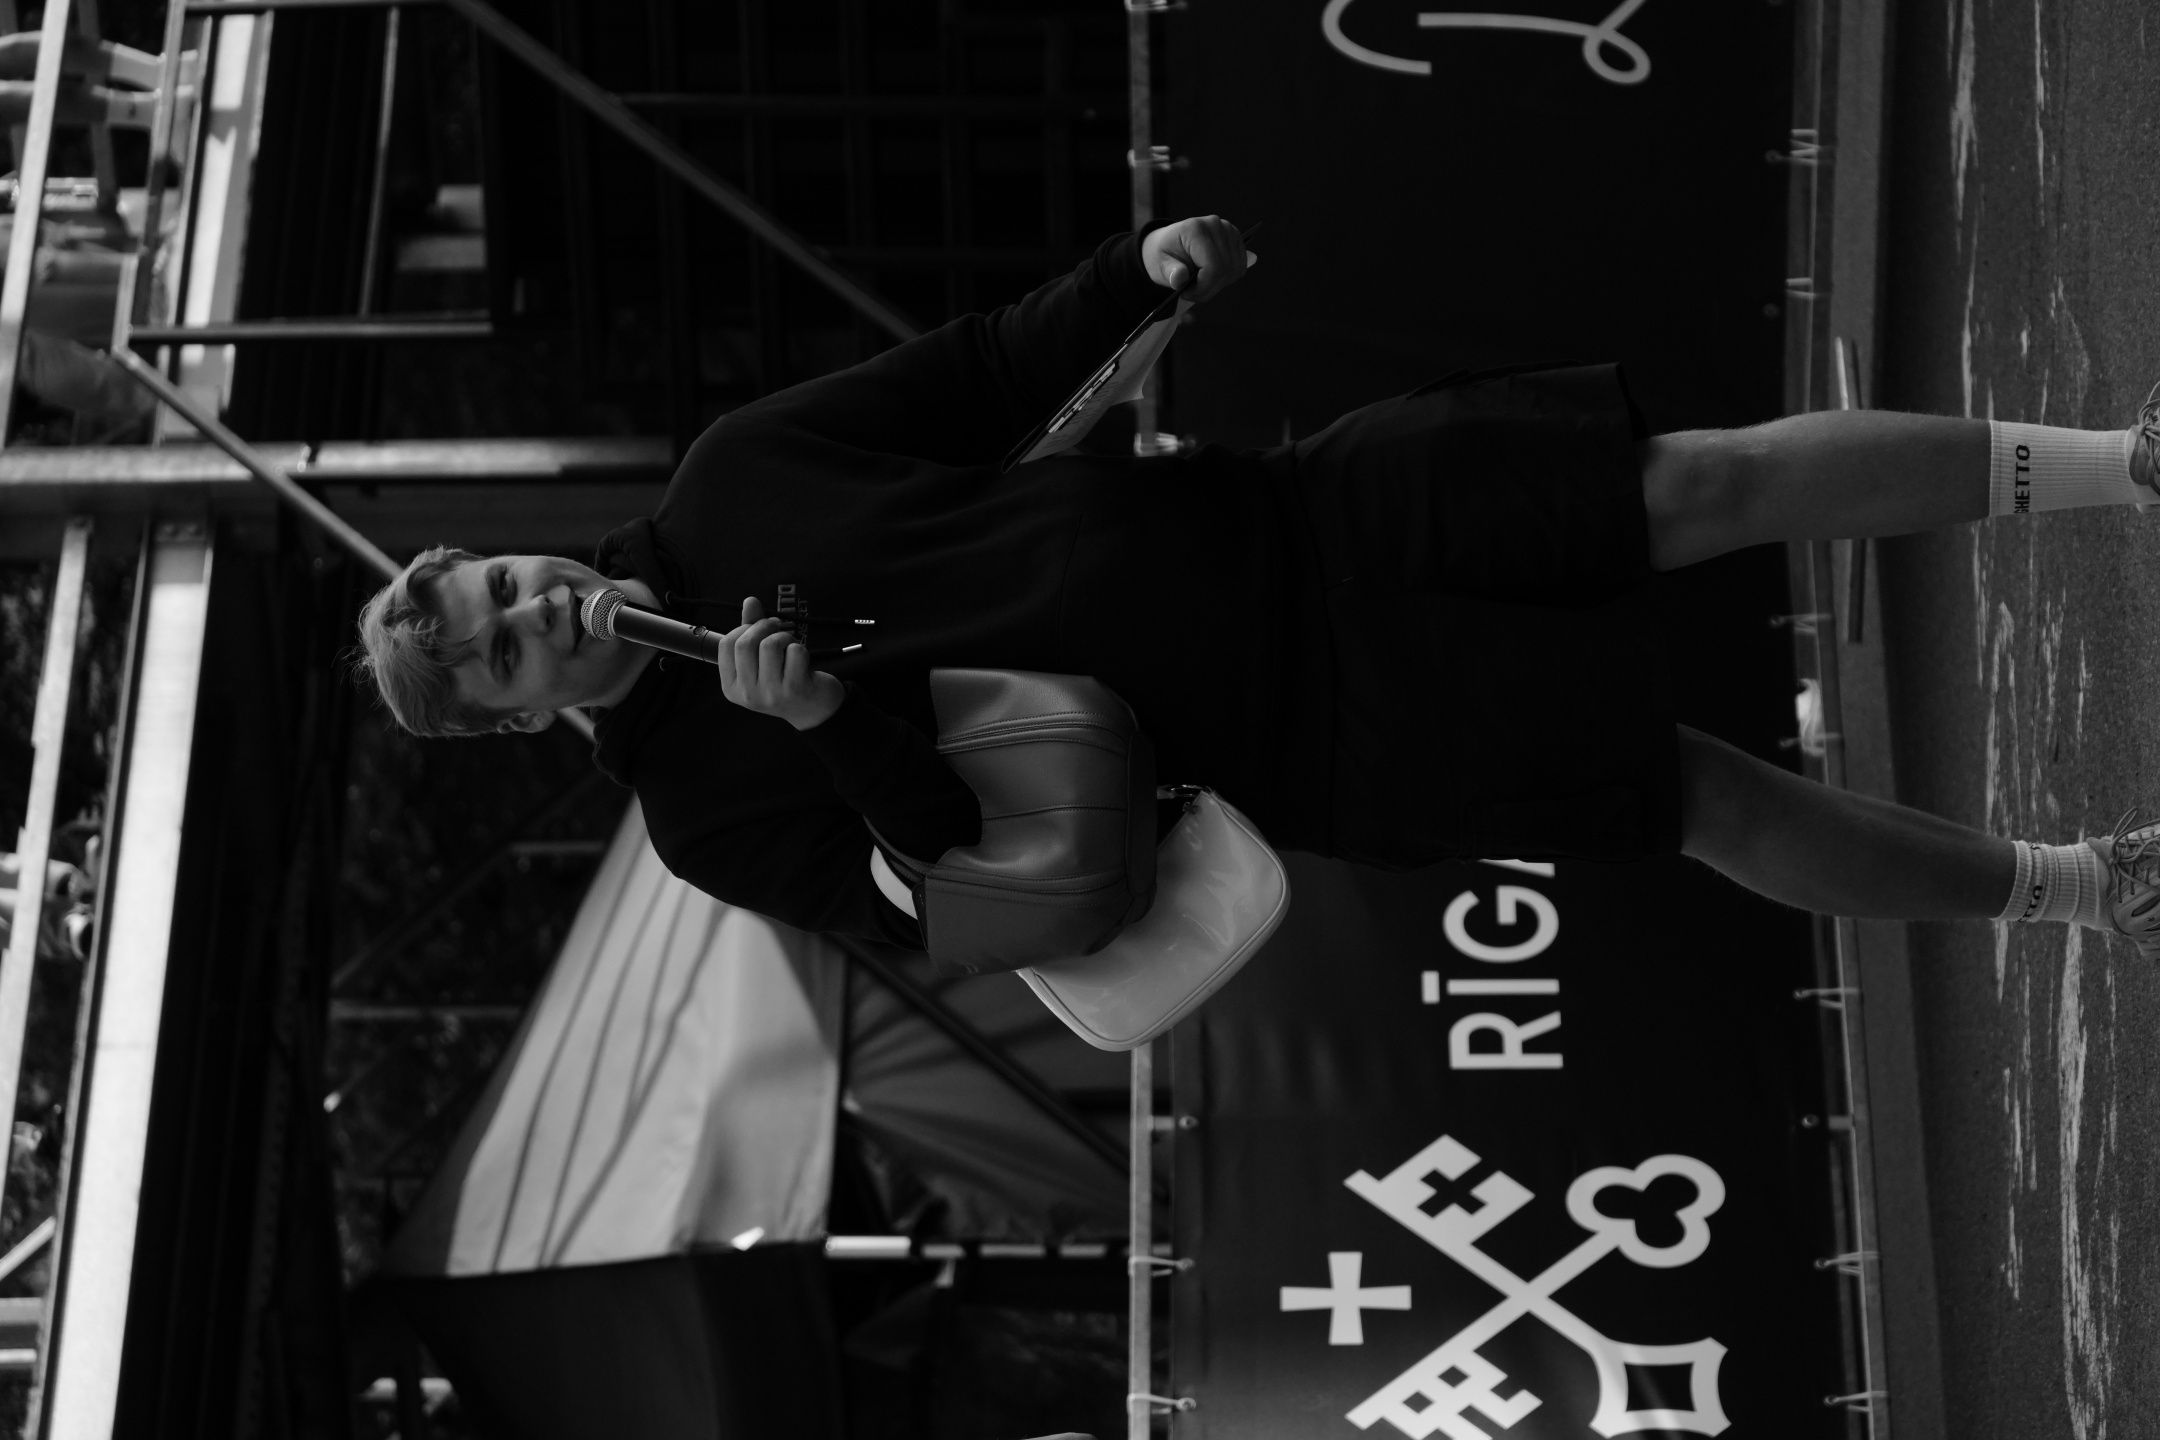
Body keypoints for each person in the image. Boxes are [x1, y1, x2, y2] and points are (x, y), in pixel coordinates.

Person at [353, 215, 2160, 960]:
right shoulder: (702, 819)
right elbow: (963, 909)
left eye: (504, 584)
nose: (534, 611)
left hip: (1296, 514)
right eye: (504, 651)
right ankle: (2096, 888)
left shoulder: (730, 474)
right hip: (1311, 739)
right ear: (517, 717)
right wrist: (830, 727)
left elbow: (975, 377)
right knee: (1697, 795)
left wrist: (1129, 276)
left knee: (1700, 480)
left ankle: (2124, 461)